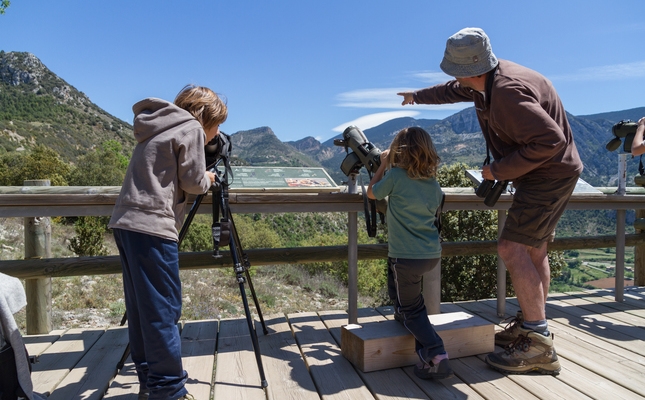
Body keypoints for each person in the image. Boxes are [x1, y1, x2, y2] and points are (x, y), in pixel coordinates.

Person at [398, 27, 583, 376]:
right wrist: (417, 97)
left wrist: (496, 170)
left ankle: (538, 343)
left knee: (511, 248)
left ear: (470, 70)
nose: (454, 77)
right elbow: (452, 91)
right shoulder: (488, 80)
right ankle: (532, 325)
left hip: (548, 175)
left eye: (455, 70)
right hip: (548, 174)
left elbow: (550, 141)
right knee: (534, 250)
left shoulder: (509, 92)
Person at [108, 85, 227, 399]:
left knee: (140, 307)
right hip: (152, 226)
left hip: (126, 222)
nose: (216, 135)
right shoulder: (189, 128)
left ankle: (150, 382)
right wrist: (208, 179)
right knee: (163, 309)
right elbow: (192, 181)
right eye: (217, 127)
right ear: (205, 118)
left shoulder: (158, 126)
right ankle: (170, 391)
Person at [367, 127, 453, 380]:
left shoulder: (394, 176)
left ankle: (438, 355)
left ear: (398, 152)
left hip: (405, 257)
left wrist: (382, 166)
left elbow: (372, 193)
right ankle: (425, 357)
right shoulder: (433, 183)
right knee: (407, 302)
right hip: (430, 254)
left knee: (411, 310)